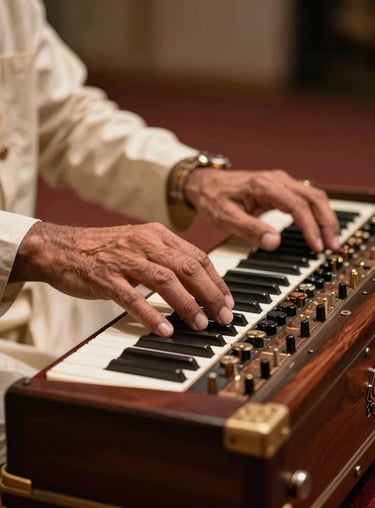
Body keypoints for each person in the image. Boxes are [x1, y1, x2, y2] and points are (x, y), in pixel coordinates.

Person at [0, 0, 340, 463]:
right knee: (116, 447)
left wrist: (191, 177)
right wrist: (38, 245)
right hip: (24, 271)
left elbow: (65, 118)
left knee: (204, 371)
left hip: (24, 299)